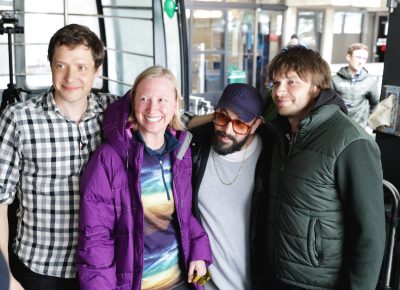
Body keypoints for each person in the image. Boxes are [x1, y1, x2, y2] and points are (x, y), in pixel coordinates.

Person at [0, 24, 118, 290]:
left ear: (96, 71)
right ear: (51, 66)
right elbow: (0, 201)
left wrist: (222, 118)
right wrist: (6, 274)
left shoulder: (113, 110)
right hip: (38, 268)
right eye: (61, 65)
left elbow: (164, 114)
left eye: (81, 67)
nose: (70, 77)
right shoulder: (18, 119)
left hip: (100, 266)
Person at [77, 65, 212, 290]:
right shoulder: (109, 158)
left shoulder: (180, 152)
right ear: (133, 103)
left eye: (162, 100)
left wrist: (199, 252)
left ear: (176, 104)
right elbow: (96, 239)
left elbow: (184, 215)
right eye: (144, 98)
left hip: (181, 283)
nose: (152, 108)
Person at [264, 45, 386, 289]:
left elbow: (370, 235)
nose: (280, 91)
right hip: (277, 275)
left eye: (292, 82)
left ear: (316, 87)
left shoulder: (350, 141)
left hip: (320, 283)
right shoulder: (280, 133)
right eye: (276, 83)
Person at [190, 83, 274, 289]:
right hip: (204, 283)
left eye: (241, 124)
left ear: (256, 125)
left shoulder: (273, 157)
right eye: (222, 117)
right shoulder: (194, 147)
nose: (227, 129)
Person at [331, 43, 380, 129]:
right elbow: (327, 103)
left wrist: (368, 124)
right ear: (348, 57)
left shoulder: (370, 81)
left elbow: (375, 104)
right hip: (337, 126)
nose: (361, 62)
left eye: (364, 58)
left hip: (359, 128)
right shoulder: (334, 80)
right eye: (358, 57)